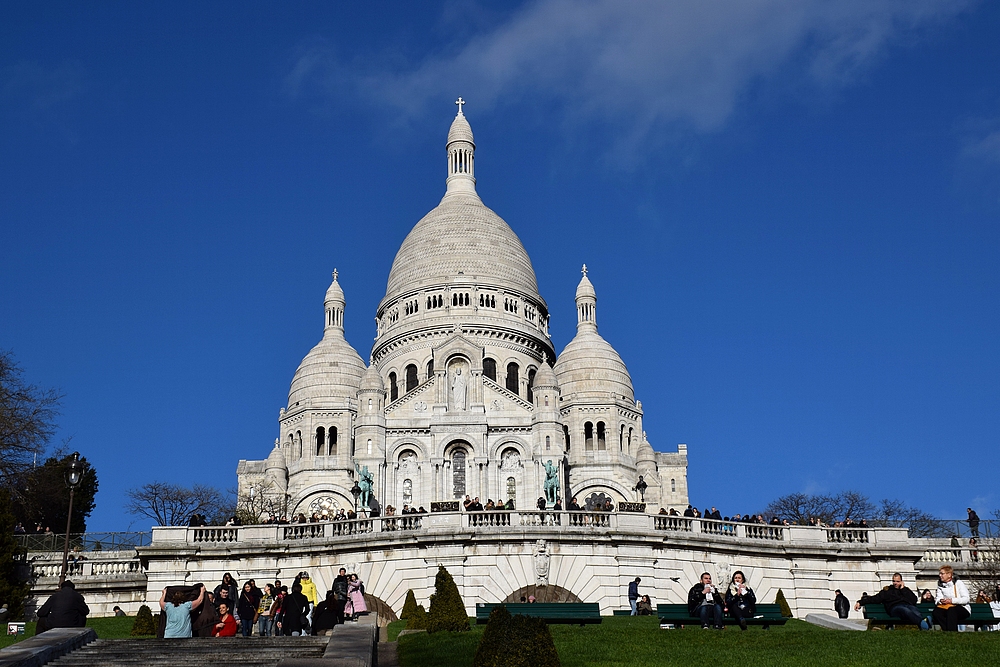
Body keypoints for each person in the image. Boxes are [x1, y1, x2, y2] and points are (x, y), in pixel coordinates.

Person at [855, 572, 929, 630]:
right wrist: (860, 602)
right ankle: (923, 623)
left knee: (914, 610)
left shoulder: (905, 590)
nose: (895, 583)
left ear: (901, 582)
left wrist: (903, 590)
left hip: (907, 605)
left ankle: (923, 624)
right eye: (894, 581)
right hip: (895, 608)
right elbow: (875, 598)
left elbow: (914, 600)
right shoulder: (887, 591)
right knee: (905, 610)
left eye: (897, 581)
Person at [933, 565, 970, 632]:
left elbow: (966, 599)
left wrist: (952, 601)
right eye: (940, 573)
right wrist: (941, 601)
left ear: (949, 575)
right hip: (946, 607)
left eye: (942, 573)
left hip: (962, 608)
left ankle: (952, 632)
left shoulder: (958, 583)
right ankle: (947, 631)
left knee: (951, 610)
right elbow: (938, 598)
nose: (940, 575)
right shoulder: (940, 585)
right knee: (936, 612)